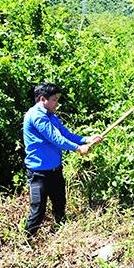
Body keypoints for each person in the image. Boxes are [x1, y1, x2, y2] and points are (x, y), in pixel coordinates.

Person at [23, 82, 103, 236]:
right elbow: (55, 138)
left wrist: (87, 139)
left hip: (55, 170)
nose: (57, 103)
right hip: (38, 174)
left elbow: (66, 135)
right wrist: (78, 149)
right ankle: (27, 241)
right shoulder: (36, 116)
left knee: (60, 204)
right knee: (38, 211)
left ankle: (60, 236)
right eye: (54, 99)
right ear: (42, 99)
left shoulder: (51, 116)